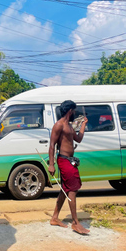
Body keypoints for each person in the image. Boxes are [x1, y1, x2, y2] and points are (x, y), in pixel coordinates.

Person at [48, 100, 90, 235]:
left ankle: (54, 218)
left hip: (70, 160)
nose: (75, 113)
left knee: (66, 189)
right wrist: (51, 164)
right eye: (74, 110)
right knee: (73, 189)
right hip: (64, 160)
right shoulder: (59, 125)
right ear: (70, 110)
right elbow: (52, 145)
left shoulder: (70, 126)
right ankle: (75, 223)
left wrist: (83, 125)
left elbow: (78, 139)